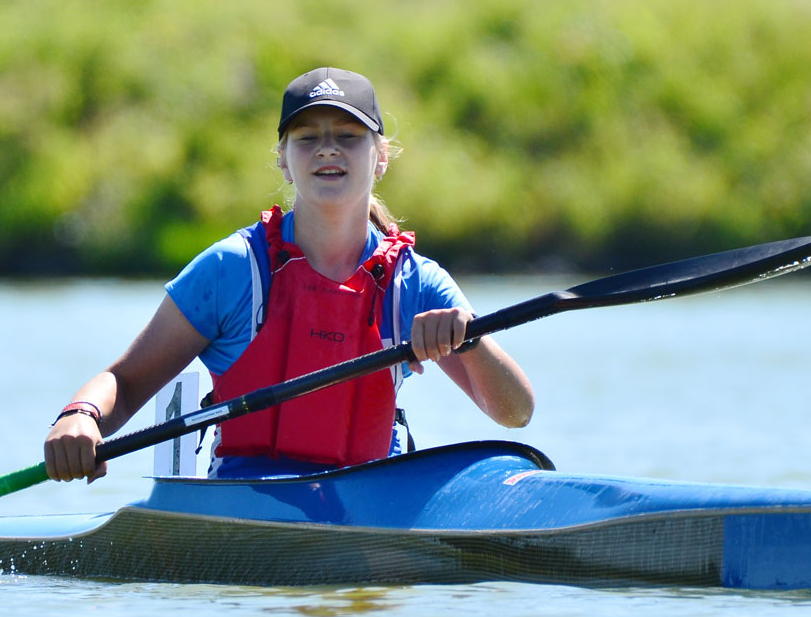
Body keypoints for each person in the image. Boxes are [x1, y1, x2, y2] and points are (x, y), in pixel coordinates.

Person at [44, 67, 533, 482]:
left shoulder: (416, 285)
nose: (327, 150)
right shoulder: (232, 270)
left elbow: (516, 413)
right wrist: (80, 417)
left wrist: (470, 340)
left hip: (368, 503)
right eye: (308, 138)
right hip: (243, 504)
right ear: (283, 158)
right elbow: (124, 383)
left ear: (380, 156)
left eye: (347, 136)